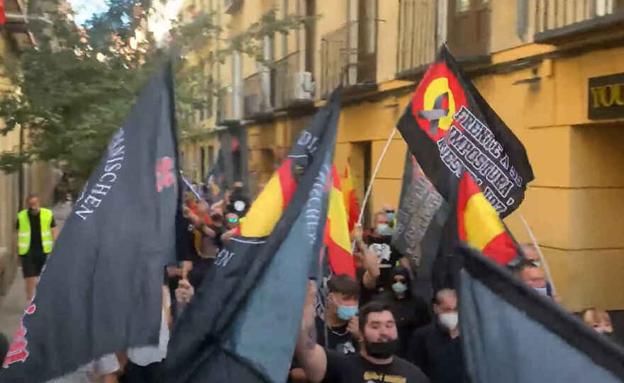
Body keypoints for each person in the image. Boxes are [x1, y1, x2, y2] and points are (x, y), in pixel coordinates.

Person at [296, 282, 429, 383]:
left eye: (389, 325)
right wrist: (307, 306)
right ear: (361, 332)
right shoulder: (341, 366)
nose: (384, 332)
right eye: (375, 326)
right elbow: (307, 350)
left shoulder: (415, 376)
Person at [407, 289, 467, 383]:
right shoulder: (422, 336)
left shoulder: (469, 337)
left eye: (455, 310)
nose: (452, 314)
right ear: (436, 308)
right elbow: (415, 370)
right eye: (447, 310)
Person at [374, 267, 431, 358]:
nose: (398, 284)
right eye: (395, 281)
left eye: (402, 281)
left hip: (411, 348)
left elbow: (425, 325)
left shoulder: (418, 302)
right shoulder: (381, 301)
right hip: (388, 346)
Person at [16, 194, 57, 302]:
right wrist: (17, 249)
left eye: (34, 203)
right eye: (30, 204)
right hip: (27, 251)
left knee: (42, 278)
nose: (33, 206)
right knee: (30, 278)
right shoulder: (21, 216)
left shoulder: (48, 214)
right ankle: (30, 301)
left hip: (44, 250)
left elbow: (53, 230)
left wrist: (55, 247)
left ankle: (41, 300)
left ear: (39, 203)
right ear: (27, 204)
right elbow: (18, 233)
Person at [317, 274, 362, 354]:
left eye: (355, 299)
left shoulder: (361, 325)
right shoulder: (316, 328)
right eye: (346, 299)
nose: (352, 304)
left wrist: (359, 337)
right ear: (331, 298)